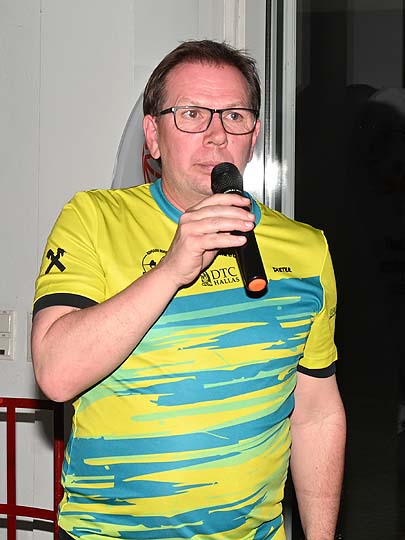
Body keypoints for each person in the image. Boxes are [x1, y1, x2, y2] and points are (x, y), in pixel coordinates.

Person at [32, 40, 346, 540]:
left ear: (253, 136)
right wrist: (171, 270)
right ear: (153, 136)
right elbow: (56, 374)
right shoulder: (92, 219)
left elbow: (316, 413)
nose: (217, 135)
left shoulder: (307, 248)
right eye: (192, 114)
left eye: (235, 116)